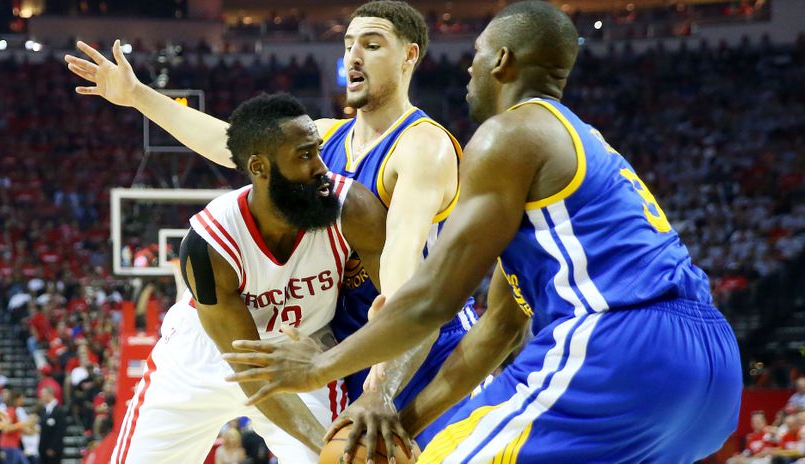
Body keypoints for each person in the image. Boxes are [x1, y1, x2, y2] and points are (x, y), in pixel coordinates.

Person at [222, 1, 743, 462]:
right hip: (712, 368)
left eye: (476, 51)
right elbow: (498, 329)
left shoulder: (509, 134)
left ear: (502, 61)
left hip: (617, 344)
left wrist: (319, 368)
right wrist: (399, 428)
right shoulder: (583, 144)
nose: (467, 67)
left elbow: (432, 298)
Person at [64, 1, 478, 454]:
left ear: (409, 56)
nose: (353, 55)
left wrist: (379, 383)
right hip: (343, 346)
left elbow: (402, 276)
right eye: (348, 44)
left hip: (409, 345)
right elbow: (233, 146)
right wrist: (139, 95)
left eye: (372, 44)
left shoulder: (422, 147)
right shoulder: (324, 138)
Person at [108, 94, 389, 463]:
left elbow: (404, 304)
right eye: (305, 156)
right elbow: (250, 370)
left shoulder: (352, 208)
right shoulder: (210, 244)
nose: (321, 167)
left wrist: (372, 400)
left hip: (303, 356)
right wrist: (325, 445)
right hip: (206, 358)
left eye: (318, 151)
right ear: (260, 167)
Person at [38, 387, 65, 464]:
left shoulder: (59, 410)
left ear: (49, 395)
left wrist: (53, 447)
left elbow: (60, 430)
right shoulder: (43, 410)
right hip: (43, 448)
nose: (41, 397)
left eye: (42, 394)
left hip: (53, 450)